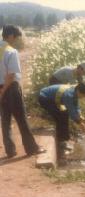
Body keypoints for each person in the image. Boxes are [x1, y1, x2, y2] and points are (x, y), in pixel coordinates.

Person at [0, 25, 45, 158]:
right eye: (16, 37)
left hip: (1, 88)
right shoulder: (10, 51)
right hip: (11, 88)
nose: (16, 40)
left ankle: (10, 151)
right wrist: (3, 91)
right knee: (21, 119)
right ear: (11, 36)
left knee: (5, 120)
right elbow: (11, 75)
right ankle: (32, 149)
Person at [38, 83, 85, 158]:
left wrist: (80, 116)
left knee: (64, 114)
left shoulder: (75, 91)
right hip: (45, 98)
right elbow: (72, 113)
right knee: (61, 116)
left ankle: (63, 139)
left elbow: (76, 106)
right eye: (84, 95)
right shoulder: (69, 95)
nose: (83, 97)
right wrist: (82, 125)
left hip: (53, 100)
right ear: (79, 91)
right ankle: (61, 141)